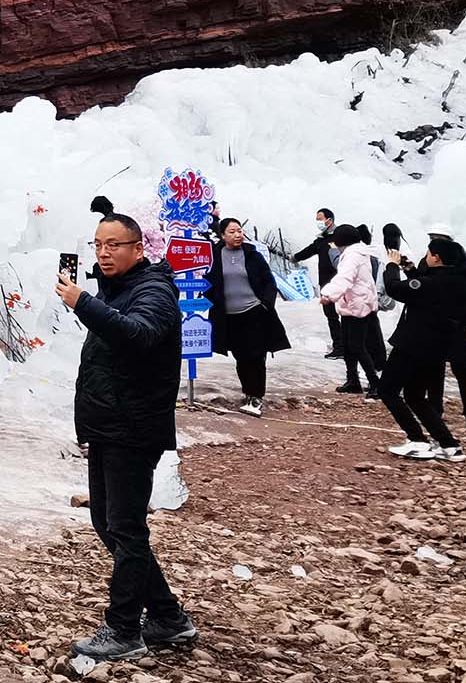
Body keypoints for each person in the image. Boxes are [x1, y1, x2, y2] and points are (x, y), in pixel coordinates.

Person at [55, 214, 197, 661]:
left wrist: (84, 303)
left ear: (138, 248)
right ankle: (168, 618)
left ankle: (123, 630)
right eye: (98, 244)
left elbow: (140, 334)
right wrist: (89, 301)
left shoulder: (154, 290)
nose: (102, 253)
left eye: (114, 245)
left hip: (133, 429)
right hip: (110, 425)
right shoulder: (118, 289)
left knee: (126, 529)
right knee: (107, 522)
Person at [377, 238, 466, 462]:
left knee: (387, 390)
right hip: (436, 347)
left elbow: (395, 288)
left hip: (413, 344)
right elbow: (422, 287)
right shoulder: (456, 280)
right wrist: (408, 268)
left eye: (429, 254)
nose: (427, 256)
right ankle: (450, 446)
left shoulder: (433, 284)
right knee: (415, 396)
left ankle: (417, 440)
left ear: (436, 258)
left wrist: (391, 266)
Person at [204, 218, 291, 417]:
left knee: (256, 355)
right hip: (229, 316)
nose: (237, 235)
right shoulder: (215, 255)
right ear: (223, 235)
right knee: (241, 356)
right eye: (232, 232)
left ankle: (256, 396)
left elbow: (269, 281)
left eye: (239, 231)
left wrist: (265, 304)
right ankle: (247, 392)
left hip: (254, 312)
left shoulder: (252, 255)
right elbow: (209, 282)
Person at [427, 224, 466, 432]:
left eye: (439, 238)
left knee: (463, 370)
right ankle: (435, 410)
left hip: (459, 327)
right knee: (434, 369)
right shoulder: (430, 261)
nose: (434, 242)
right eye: (432, 238)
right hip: (434, 326)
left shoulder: (464, 267)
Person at [318, 225, 384, 398]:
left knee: (356, 346)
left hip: (357, 306)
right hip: (353, 304)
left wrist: (328, 294)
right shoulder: (358, 252)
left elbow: (344, 278)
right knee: (348, 345)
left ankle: (375, 383)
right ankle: (353, 380)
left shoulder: (352, 256)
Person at [292, 208, 344, 359]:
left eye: (320, 219)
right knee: (331, 316)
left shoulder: (340, 237)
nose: (318, 222)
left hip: (340, 283)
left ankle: (350, 347)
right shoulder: (321, 239)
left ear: (329, 220)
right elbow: (310, 250)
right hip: (325, 283)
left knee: (346, 314)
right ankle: (339, 347)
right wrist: (295, 258)